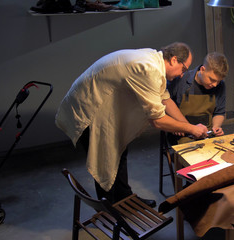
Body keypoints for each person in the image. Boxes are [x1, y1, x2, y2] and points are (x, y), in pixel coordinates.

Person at [55, 42, 208, 207]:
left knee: (119, 151)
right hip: (88, 109)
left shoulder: (155, 61)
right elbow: (157, 120)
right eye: (183, 69)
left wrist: (187, 127)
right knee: (105, 159)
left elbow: (165, 99)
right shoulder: (149, 69)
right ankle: (109, 212)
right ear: (173, 60)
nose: (181, 75)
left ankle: (125, 199)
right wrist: (191, 128)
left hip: (101, 106)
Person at [167, 52, 229, 144]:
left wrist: (216, 127)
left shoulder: (220, 86)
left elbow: (219, 112)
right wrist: (175, 125)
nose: (215, 85)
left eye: (218, 81)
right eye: (212, 79)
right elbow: (165, 106)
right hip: (183, 132)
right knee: (191, 155)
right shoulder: (180, 80)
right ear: (202, 69)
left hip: (206, 133)